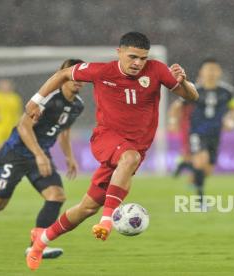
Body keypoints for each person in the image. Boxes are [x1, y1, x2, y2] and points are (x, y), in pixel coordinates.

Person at [24, 31, 198, 270]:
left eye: (143, 58)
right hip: (106, 139)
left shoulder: (156, 70)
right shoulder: (101, 71)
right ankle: (107, 221)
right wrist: (37, 100)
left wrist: (184, 81)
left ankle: (40, 242)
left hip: (133, 150)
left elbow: (192, 96)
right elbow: (64, 73)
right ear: (119, 52)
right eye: (133, 56)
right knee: (129, 158)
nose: (138, 63)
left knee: (86, 208)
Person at [0, 59, 85, 259]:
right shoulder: (48, 98)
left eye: (81, 76)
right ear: (63, 75)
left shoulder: (78, 106)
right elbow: (24, 127)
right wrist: (40, 155)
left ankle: (36, 246)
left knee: (56, 196)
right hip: (15, 153)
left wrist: (69, 157)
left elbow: (64, 130)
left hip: (40, 155)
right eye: (73, 74)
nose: (77, 80)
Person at [187, 58, 234, 205]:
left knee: (208, 169)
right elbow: (178, 106)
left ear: (219, 72)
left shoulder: (227, 91)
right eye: (208, 69)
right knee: (201, 160)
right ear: (201, 72)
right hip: (197, 132)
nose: (211, 73)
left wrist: (231, 120)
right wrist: (172, 122)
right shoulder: (193, 90)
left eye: (214, 69)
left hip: (215, 134)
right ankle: (200, 200)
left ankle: (192, 172)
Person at [0, 79, 23, 149]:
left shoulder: (15, 98)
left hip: (11, 125)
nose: (5, 87)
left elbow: (18, 112)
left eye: (7, 85)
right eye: (3, 85)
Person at [168, 96, 194, 178]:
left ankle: (181, 167)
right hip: (188, 126)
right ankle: (181, 168)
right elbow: (175, 106)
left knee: (191, 150)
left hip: (198, 126)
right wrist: (173, 122)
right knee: (187, 149)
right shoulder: (190, 96)